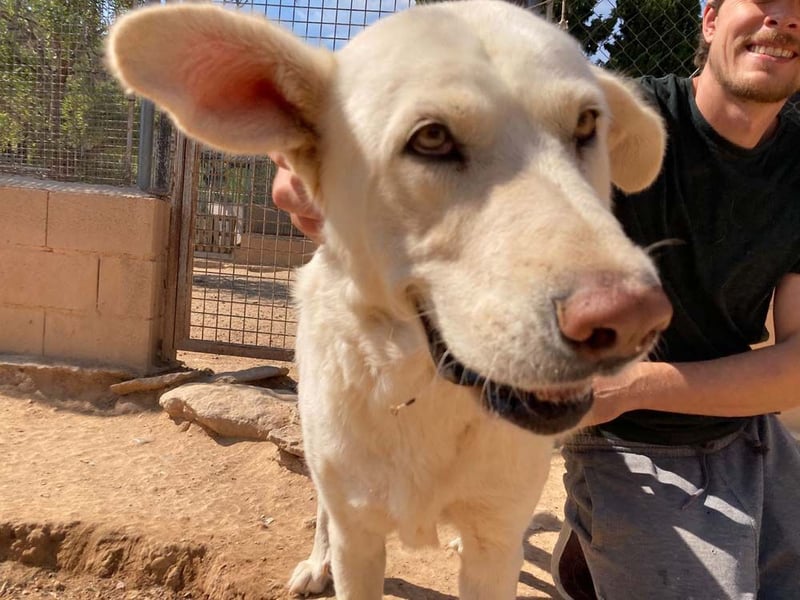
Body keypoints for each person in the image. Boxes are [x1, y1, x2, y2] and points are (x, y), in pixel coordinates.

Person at [271, 0, 800, 597]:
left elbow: (797, 364)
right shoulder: (616, 101)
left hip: (724, 418)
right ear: (710, 18)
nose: (784, 18)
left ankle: (585, 549)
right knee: (353, 517)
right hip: (619, 431)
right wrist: (322, 156)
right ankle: (334, 529)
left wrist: (631, 385)